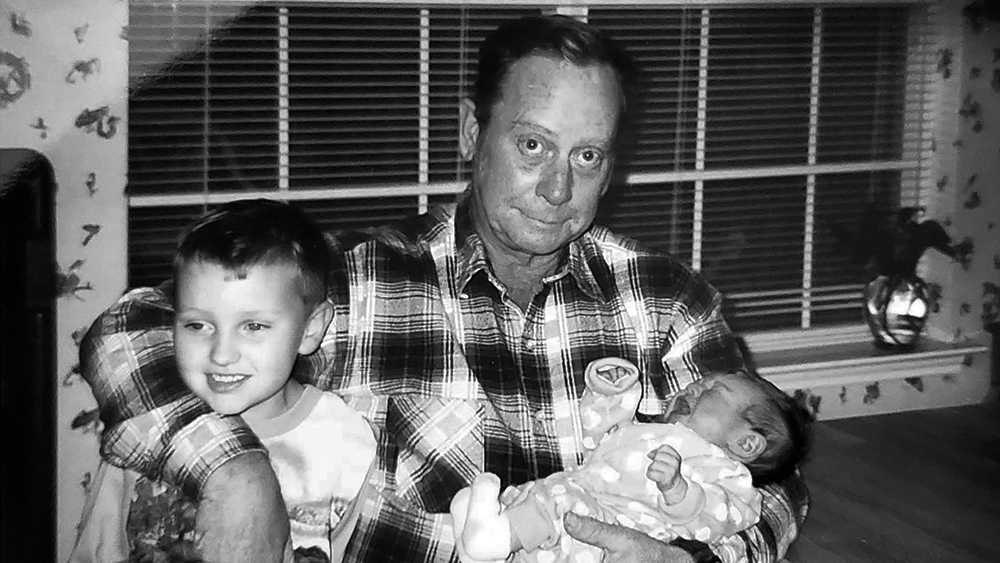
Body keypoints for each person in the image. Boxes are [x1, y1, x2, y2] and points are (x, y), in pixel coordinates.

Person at [80, 15, 808, 563]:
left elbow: (776, 483)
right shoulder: (358, 282)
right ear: (470, 133)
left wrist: (698, 558)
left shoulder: (668, 303)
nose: (558, 187)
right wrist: (231, 466)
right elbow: (126, 329)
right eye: (532, 144)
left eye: (587, 156)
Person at [69, 200, 376, 563]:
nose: (221, 353)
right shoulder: (146, 429)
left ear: (311, 329)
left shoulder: (348, 445)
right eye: (198, 325)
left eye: (253, 326)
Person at [450, 360, 811, 563]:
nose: (692, 387)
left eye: (713, 390)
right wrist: (610, 393)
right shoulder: (646, 431)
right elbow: (599, 435)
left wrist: (680, 490)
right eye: (697, 382)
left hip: (615, 534)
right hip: (579, 504)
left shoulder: (728, 475)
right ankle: (489, 539)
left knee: (560, 502)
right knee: (540, 497)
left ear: (746, 444)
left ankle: (493, 537)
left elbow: (718, 519)